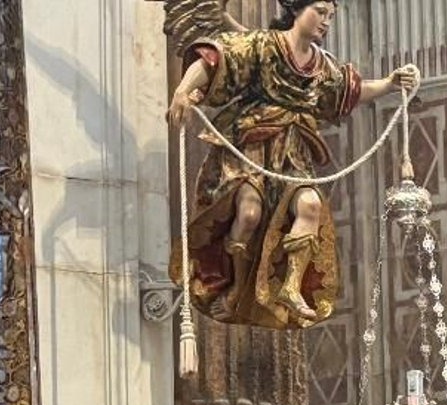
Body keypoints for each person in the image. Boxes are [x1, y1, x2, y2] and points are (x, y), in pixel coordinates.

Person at [166, 0, 420, 328]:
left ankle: (290, 287)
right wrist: (182, 92)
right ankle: (234, 288)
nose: (326, 22)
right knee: (248, 215)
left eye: (331, 16)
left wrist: (390, 83)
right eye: (321, 12)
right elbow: (216, 59)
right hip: (252, 146)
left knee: (311, 205)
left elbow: (347, 90)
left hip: (292, 153)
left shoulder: (321, 66)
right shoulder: (263, 45)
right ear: (297, 10)